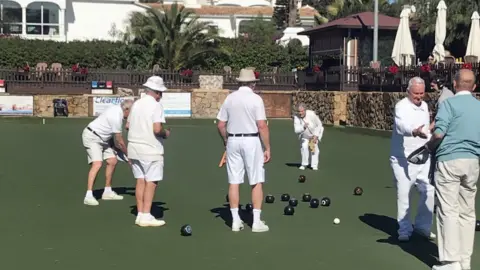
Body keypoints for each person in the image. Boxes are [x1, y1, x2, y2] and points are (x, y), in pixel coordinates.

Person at [425, 69, 480, 270]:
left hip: (449, 160)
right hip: (472, 162)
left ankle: (450, 262)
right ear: (474, 87)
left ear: (455, 85)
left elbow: (438, 134)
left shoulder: (448, 103)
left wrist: (428, 147)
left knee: (448, 210)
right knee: (467, 212)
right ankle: (465, 261)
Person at [216, 68, 271, 233]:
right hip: (251, 140)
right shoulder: (256, 99)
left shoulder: (229, 98)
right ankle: (256, 222)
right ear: (253, 83)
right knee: (256, 180)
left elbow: (220, 124)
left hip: (233, 140)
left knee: (234, 181)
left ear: (239, 82)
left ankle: (235, 221)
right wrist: (267, 147)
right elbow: (261, 125)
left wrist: (227, 141)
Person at [389, 76, 436, 242]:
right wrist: (413, 131)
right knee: (404, 192)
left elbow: (424, 129)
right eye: (416, 93)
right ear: (408, 91)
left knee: (429, 190)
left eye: (422, 93)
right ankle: (404, 229)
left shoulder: (424, 106)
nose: (419, 96)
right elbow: (401, 126)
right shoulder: (401, 106)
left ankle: (422, 227)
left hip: (422, 155)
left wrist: (431, 131)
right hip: (402, 158)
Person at [127, 76, 170, 227]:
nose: (161, 96)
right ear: (157, 92)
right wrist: (166, 133)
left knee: (140, 180)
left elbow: (127, 125)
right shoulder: (156, 106)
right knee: (151, 182)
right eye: (161, 93)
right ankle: (146, 214)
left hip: (133, 147)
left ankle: (140, 214)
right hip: (150, 149)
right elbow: (157, 129)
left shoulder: (136, 104)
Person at [82, 99, 133, 206]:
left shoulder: (117, 111)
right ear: (126, 109)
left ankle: (107, 191)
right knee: (97, 164)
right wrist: (129, 156)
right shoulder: (116, 116)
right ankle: (89, 195)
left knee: (112, 161)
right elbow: (120, 140)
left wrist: (113, 146)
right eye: (132, 112)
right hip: (92, 137)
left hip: (103, 139)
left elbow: (109, 132)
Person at [293, 103, 323, 171]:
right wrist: (303, 127)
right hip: (304, 136)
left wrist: (316, 135)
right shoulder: (296, 117)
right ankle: (304, 164)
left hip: (313, 135)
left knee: (314, 148)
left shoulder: (311, 114)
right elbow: (296, 130)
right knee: (304, 146)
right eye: (299, 111)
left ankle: (314, 165)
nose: (300, 113)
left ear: (305, 110)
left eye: (302, 111)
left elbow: (319, 124)